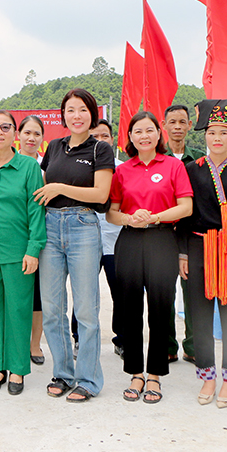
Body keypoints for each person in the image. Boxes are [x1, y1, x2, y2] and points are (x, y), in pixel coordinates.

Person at [108, 111, 193, 404]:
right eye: (137, 131)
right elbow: (111, 212)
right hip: (130, 240)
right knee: (129, 307)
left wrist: (153, 217)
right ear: (130, 137)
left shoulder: (173, 166)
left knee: (160, 306)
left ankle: (155, 374)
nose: (144, 136)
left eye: (149, 130)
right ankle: (135, 372)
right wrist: (131, 219)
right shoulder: (123, 171)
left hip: (162, 239)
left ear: (159, 134)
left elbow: (185, 207)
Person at [36, 89, 115, 403]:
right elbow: (41, 187)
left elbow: (100, 196)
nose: (76, 115)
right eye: (70, 110)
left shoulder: (101, 150)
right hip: (50, 226)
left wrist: (58, 187)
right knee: (53, 309)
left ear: (92, 114)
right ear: (63, 115)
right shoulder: (54, 147)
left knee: (85, 309)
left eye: (82, 109)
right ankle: (64, 373)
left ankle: (88, 379)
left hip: (83, 227)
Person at [179, 98, 227, 408]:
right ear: (204, 136)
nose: (217, 138)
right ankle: (207, 376)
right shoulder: (192, 170)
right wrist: (183, 253)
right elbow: (184, 215)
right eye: (212, 132)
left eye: (224, 132)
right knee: (199, 316)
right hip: (198, 247)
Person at [0, 110, 45, 396]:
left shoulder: (28, 167)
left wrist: (33, 249)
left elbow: (36, 210)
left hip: (18, 253)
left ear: (15, 133)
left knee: (17, 311)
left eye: (6, 127)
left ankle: (17, 369)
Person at [163, 104, 203, 364]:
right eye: (172, 122)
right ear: (164, 126)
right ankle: (168, 345)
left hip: (191, 234)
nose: (177, 127)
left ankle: (193, 345)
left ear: (190, 125)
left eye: (182, 122)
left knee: (193, 292)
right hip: (164, 233)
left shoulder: (199, 159)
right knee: (164, 291)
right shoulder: (157, 157)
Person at [90, 119, 124, 358]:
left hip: (117, 243)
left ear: (112, 140)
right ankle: (80, 338)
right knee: (85, 293)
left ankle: (121, 339)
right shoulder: (81, 167)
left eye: (105, 136)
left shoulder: (123, 168)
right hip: (87, 241)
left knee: (120, 293)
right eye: (96, 137)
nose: (101, 141)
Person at [16, 114, 47, 366]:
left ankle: (34, 344)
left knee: (37, 295)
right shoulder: (8, 164)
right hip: (11, 240)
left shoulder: (47, 169)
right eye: (27, 132)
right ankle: (14, 342)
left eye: (37, 134)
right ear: (19, 135)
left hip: (38, 240)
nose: (31, 138)